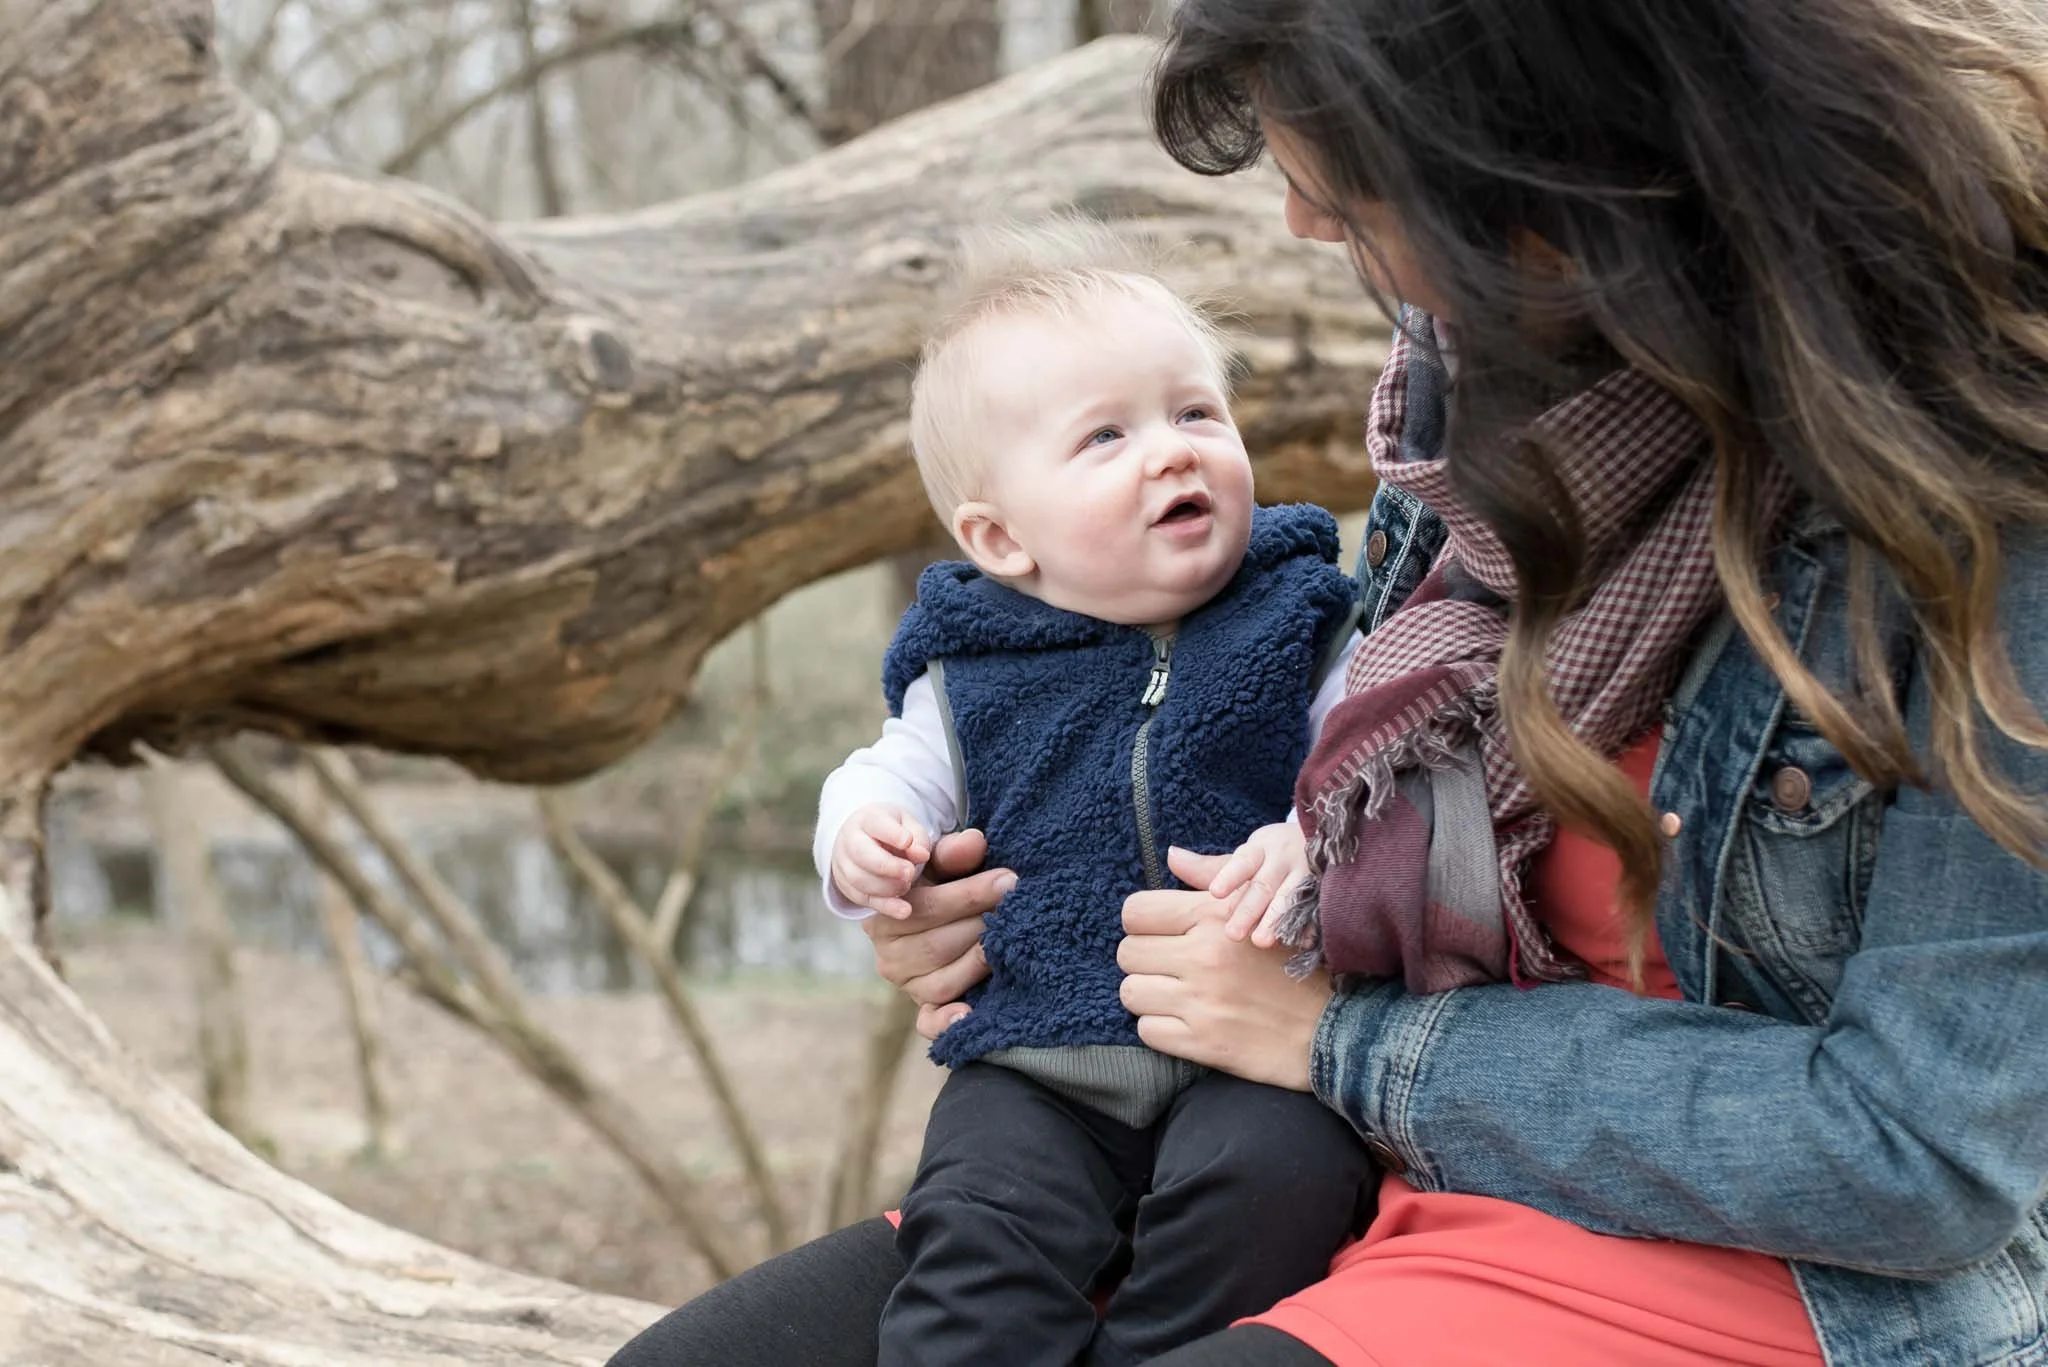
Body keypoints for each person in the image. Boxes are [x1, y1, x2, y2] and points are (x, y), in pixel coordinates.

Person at [608, 1, 2048, 1364]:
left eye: (1353, 189)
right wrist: (991, 897)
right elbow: (1310, 787)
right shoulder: (1485, 375)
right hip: (1335, 1140)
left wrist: (1339, 1039)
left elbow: (1918, 1157)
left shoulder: (1985, 489)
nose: (1301, 221)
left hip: (1746, 1255)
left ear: (1552, 161)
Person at [814, 222, 1372, 1367]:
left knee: (1278, 1180)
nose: (1170, 452)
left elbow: (1362, 760)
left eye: (1193, 413)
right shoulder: (968, 671)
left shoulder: (1303, 617)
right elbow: (888, 774)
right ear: (999, 538)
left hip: (1254, 1048)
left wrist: (1310, 838)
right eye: (1105, 436)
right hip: (1040, 1057)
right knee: (976, 1228)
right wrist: (857, 841)